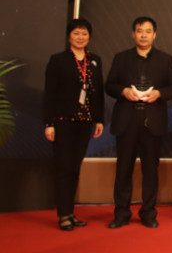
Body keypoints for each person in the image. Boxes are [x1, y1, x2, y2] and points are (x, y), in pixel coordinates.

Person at [106, 17, 172, 229]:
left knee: (150, 170)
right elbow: (109, 85)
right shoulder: (121, 58)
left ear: (154, 35)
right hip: (126, 121)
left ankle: (148, 213)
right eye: (140, 31)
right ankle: (121, 213)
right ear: (133, 34)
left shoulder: (165, 59)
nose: (144, 35)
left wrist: (158, 93)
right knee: (123, 170)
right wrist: (123, 91)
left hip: (152, 122)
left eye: (148, 31)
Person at [43, 18, 105, 231]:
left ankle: (70, 212)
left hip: (85, 122)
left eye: (84, 33)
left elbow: (98, 93)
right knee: (64, 167)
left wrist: (99, 119)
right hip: (63, 122)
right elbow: (49, 94)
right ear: (69, 36)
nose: (81, 37)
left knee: (75, 168)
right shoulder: (58, 60)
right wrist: (49, 123)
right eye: (76, 33)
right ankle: (63, 215)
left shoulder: (94, 60)